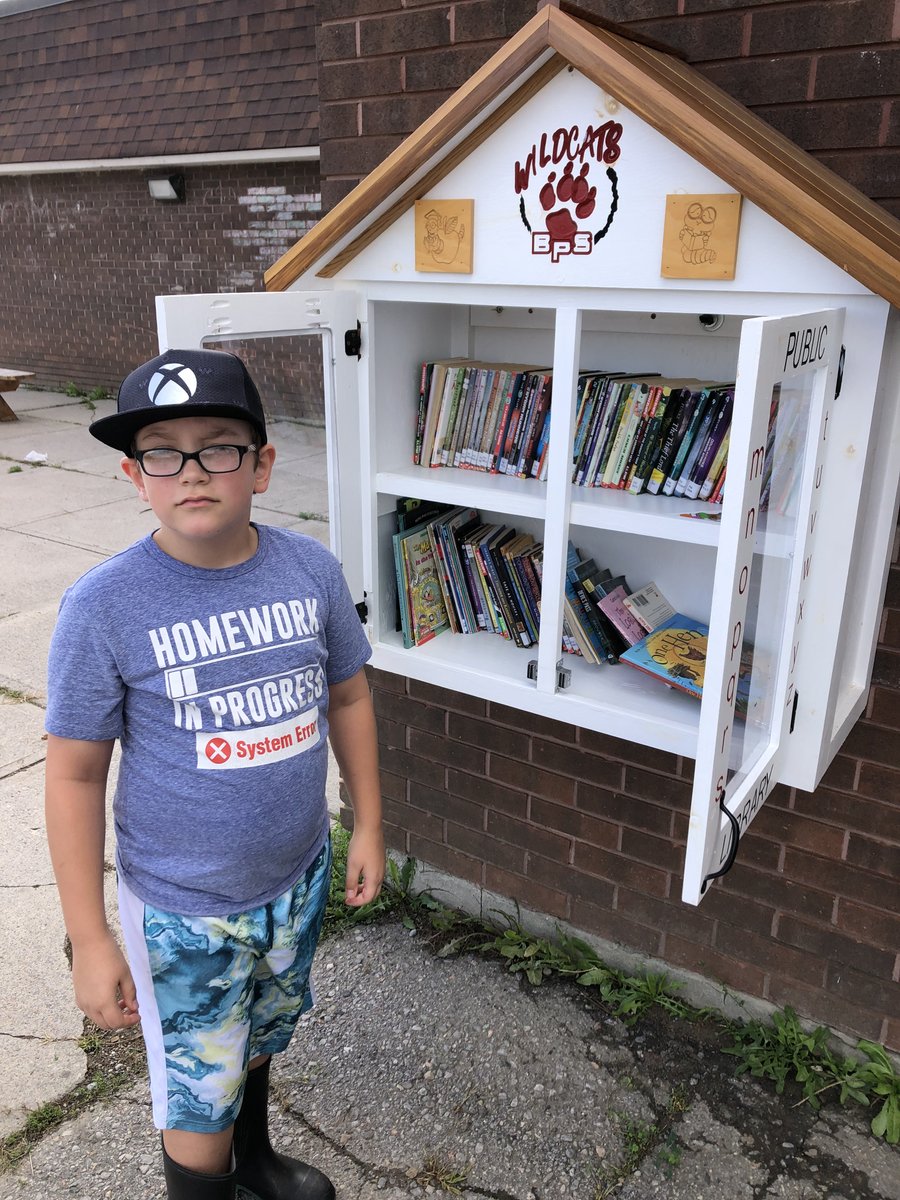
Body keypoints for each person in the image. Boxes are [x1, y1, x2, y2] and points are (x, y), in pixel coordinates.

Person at [44, 349, 384, 1200]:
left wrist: (369, 823)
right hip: (181, 912)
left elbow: (347, 697)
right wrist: (91, 937)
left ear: (262, 465)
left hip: (293, 877)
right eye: (163, 451)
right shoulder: (105, 605)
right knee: (197, 1098)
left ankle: (257, 1164)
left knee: (262, 1036)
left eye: (219, 447)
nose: (191, 471)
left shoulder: (312, 573)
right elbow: (76, 776)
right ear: (134, 476)